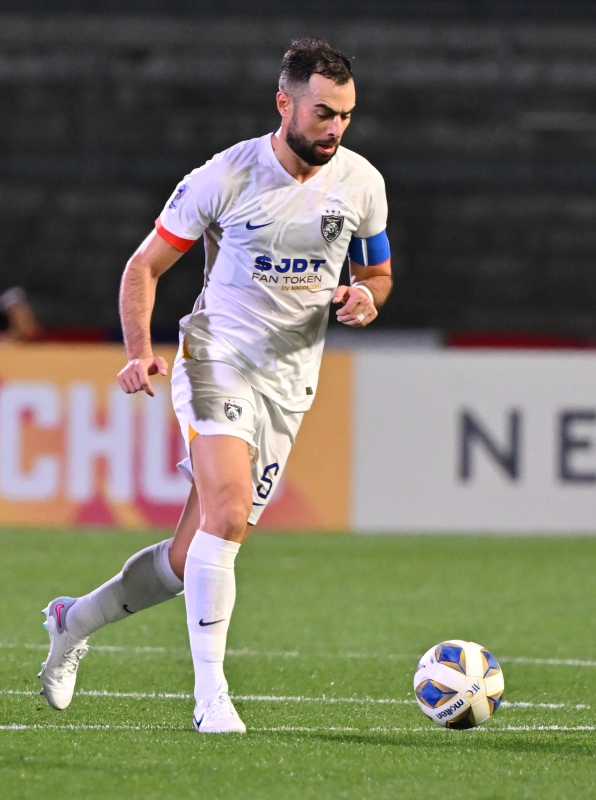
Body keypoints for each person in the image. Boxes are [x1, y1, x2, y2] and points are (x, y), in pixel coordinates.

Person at [38, 37, 393, 734]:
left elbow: (377, 273)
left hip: (289, 385)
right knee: (227, 513)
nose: (336, 128)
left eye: (346, 115)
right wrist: (139, 352)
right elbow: (143, 267)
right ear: (284, 103)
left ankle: (71, 620)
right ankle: (211, 697)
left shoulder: (362, 183)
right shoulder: (225, 175)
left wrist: (365, 298)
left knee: (188, 558)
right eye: (323, 113)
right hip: (216, 358)